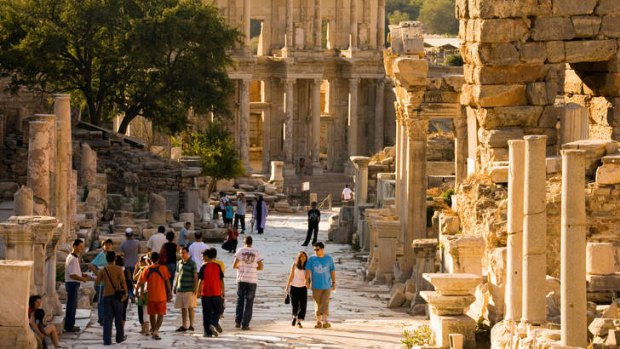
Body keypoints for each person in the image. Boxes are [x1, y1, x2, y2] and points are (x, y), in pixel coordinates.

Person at [138, 252, 172, 340]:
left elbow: (141, 283)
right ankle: (156, 331)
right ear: (158, 259)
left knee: (152, 315)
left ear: (150, 259)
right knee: (160, 315)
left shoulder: (147, 269)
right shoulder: (163, 268)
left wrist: (141, 294)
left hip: (151, 296)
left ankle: (153, 331)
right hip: (161, 296)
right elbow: (167, 281)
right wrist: (170, 292)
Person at [96, 251, 128, 345]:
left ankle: (107, 340)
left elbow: (97, 282)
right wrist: (125, 293)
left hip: (106, 296)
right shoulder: (119, 269)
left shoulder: (103, 270)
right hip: (117, 296)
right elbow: (123, 282)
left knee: (107, 319)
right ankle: (119, 337)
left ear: (106, 259)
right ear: (115, 259)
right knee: (118, 317)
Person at [233, 236, 264, 330]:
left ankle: (238, 322)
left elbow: (234, 265)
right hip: (252, 280)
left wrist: (242, 268)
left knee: (240, 301)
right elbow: (261, 267)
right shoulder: (256, 252)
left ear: (244, 242)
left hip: (241, 279)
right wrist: (253, 267)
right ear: (252, 242)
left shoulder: (240, 250)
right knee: (249, 303)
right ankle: (245, 324)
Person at [64, 238, 94, 333]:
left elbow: (74, 272)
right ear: (74, 246)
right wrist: (82, 279)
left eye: (82, 246)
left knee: (72, 305)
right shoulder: (72, 258)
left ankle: (70, 324)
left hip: (73, 283)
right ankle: (69, 326)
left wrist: (82, 275)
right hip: (72, 283)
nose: (82, 248)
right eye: (80, 246)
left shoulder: (74, 257)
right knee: (71, 306)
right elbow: (72, 274)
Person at [305, 242, 336, 329]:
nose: (316, 251)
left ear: (322, 249)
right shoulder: (311, 259)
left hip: (327, 286)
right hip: (315, 286)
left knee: (325, 303)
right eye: (314, 249)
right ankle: (318, 321)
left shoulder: (329, 258)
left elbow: (332, 271)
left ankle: (325, 321)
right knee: (318, 304)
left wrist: (334, 282)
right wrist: (306, 281)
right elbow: (307, 270)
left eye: (317, 249)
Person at [196, 248, 225, 338]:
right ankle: (214, 323)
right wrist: (222, 291)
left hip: (206, 294)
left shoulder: (203, 267)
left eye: (203, 256)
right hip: (216, 293)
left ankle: (207, 332)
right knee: (218, 310)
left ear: (207, 257)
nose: (202, 258)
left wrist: (198, 292)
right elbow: (221, 280)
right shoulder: (217, 266)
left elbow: (201, 281)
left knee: (206, 313)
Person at [89, 238, 114, 326]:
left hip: (107, 283)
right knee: (101, 301)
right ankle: (101, 319)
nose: (108, 246)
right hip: (101, 284)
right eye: (106, 244)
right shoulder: (102, 255)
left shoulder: (110, 255)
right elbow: (91, 265)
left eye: (110, 244)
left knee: (106, 301)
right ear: (103, 246)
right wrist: (98, 274)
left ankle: (104, 318)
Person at [173, 246, 198, 332]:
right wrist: (175, 286)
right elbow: (178, 275)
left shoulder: (192, 264)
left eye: (183, 253)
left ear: (188, 253)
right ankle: (184, 325)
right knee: (182, 308)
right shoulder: (179, 263)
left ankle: (191, 325)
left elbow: (195, 276)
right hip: (181, 288)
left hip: (189, 289)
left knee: (190, 307)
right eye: (180, 253)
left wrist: (195, 287)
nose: (182, 254)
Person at [285, 251, 308, 328]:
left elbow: (308, 277)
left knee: (303, 306)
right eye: (301, 256)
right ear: (299, 257)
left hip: (303, 287)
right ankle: (295, 316)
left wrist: (308, 282)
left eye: (304, 256)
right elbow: (291, 276)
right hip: (294, 287)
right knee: (295, 305)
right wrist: (287, 286)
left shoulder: (307, 266)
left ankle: (298, 320)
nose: (303, 257)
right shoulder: (294, 265)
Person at [120, 228, 139, 302]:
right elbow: (139, 250)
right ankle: (135, 293)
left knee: (128, 280)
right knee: (135, 280)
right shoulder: (137, 242)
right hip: (135, 264)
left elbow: (122, 253)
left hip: (127, 264)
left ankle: (131, 294)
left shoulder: (123, 243)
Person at [133, 255, 151, 335]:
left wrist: (136, 268)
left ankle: (145, 329)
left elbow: (135, 278)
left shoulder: (142, 269)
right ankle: (147, 329)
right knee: (146, 311)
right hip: (149, 292)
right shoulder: (150, 268)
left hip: (142, 293)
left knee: (142, 311)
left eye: (139, 261)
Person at [114, 255, 131, 327]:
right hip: (124, 292)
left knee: (116, 311)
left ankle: (118, 327)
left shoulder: (114, 270)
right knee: (123, 311)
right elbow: (129, 280)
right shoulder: (126, 270)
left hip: (116, 292)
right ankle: (121, 328)